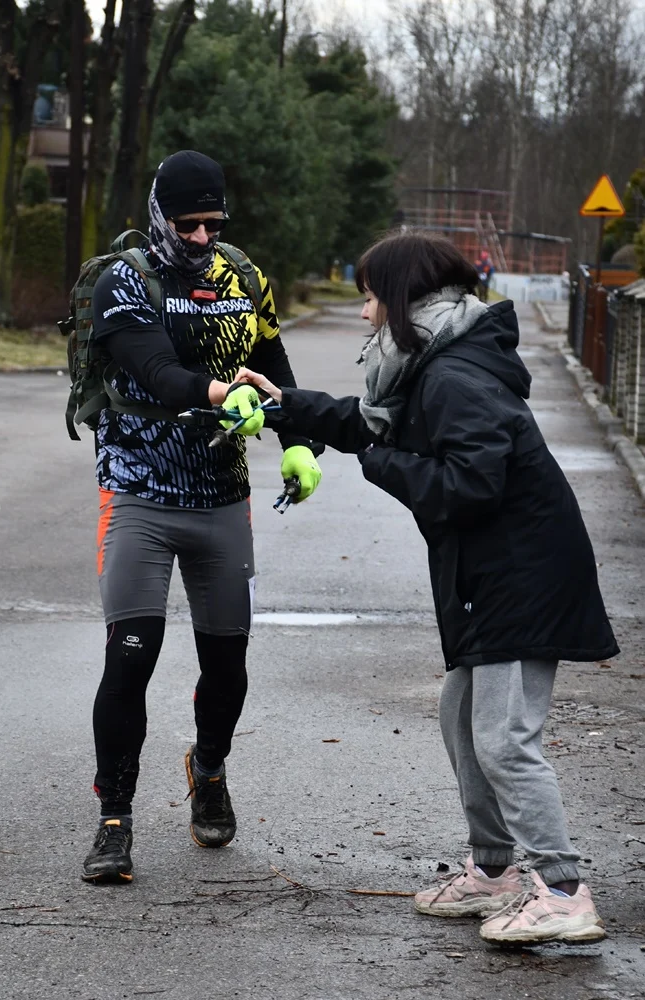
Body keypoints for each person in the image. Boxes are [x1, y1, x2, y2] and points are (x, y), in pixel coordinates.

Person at [235, 231, 618, 944]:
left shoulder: (453, 375)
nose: (363, 313)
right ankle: (495, 870)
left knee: (503, 738)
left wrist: (379, 463)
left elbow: (470, 484)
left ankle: (564, 891)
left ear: (402, 297)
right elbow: (372, 423)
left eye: (370, 297)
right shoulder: (432, 360)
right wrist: (284, 405)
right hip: (493, 571)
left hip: (521, 574)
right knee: (461, 716)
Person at [81, 150, 322, 884]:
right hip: (138, 491)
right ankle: (113, 819)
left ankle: (208, 768)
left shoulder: (243, 277)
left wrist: (300, 441)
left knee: (227, 664)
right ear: (160, 215)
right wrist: (223, 394)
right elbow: (158, 373)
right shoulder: (124, 282)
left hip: (221, 496)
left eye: (212, 224)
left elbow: (274, 366)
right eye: (188, 224)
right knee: (132, 653)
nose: (200, 238)